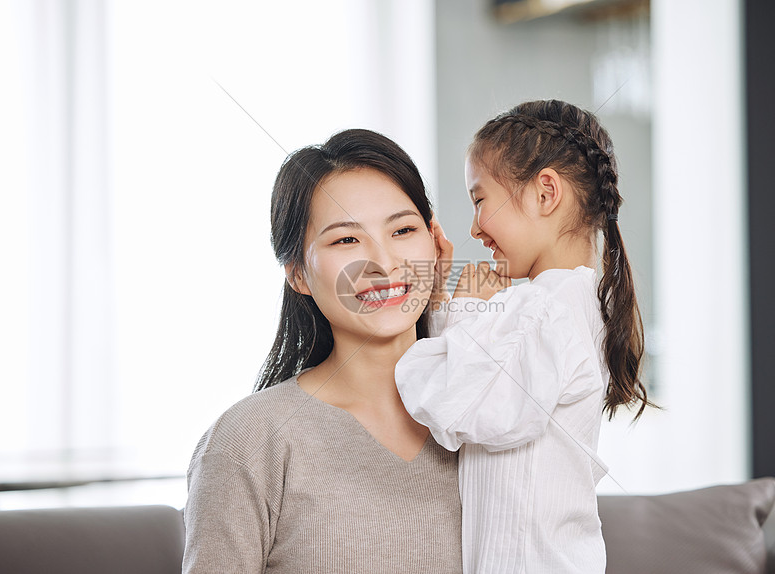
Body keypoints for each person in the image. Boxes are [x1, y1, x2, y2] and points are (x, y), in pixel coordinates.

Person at [182, 129, 462, 573]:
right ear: (298, 275)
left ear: (435, 243)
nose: (384, 263)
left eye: (404, 230)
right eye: (346, 240)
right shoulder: (248, 441)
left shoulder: (490, 418)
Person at [395, 99, 655, 573]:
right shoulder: (566, 303)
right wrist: (464, 305)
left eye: (480, 200)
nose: (474, 228)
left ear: (545, 193)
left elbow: (458, 402)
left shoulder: (545, 312)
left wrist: (464, 305)